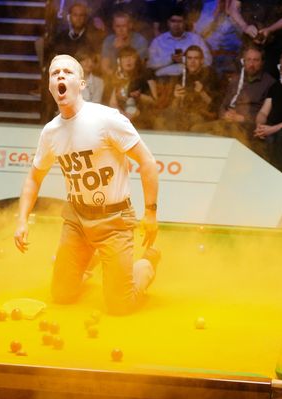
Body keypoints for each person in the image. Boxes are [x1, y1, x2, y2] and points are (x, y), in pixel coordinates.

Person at [14, 54, 160, 315]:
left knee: (120, 305)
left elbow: (148, 163)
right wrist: (22, 220)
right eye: (54, 73)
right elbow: (34, 177)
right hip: (77, 220)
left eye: (67, 72)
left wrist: (150, 212)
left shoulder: (107, 119)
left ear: (81, 84)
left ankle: (147, 263)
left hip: (115, 221)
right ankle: (89, 260)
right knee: (62, 295)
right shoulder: (50, 132)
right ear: (50, 86)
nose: (60, 76)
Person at [190, 45, 276, 151]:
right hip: (228, 121)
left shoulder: (270, 83)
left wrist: (243, 118)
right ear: (243, 61)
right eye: (248, 60)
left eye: (256, 60)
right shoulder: (236, 80)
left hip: (248, 125)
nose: (251, 64)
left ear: (262, 62)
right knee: (196, 129)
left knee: (223, 133)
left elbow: (270, 115)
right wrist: (224, 115)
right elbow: (223, 104)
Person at [154, 45, 221, 131]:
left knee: (189, 123)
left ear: (202, 60)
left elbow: (215, 106)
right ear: (185, 61)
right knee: (160, 120)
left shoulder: (210, 76)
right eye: (189, 58)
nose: (192, 61)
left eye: (196, 58)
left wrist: (202, 92)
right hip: (182, 112)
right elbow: (171, 104)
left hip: (201, 114)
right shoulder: (181, 77)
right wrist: (176, 97)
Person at [227, 0, 282, 77]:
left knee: (270, 76)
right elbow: (233, 9)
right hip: (249, 40)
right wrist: (245, 26)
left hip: (274, 42)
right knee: (244, 74)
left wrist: (270, 29)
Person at [146, 8, 213, 78]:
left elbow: (208, 61)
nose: (176, 25)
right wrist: (170, 59)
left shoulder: (196, 39)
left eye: (180, 21)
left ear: (185, 22)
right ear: (168, 23)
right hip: (164, 79)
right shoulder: (158, 41)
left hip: (190, 78)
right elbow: (150, 64)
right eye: (173, 21)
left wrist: (187, 61)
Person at [107, 46, 158, 128]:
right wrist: (124, 116)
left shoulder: (147, 75)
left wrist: (140, 96)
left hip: (143, 118)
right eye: (125, 57)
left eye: (132, 57)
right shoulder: (116, 78)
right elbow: (112, 103)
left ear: (136, 60)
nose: (128, 60)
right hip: (121, 119)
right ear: (119, 61)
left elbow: (155, 102)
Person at [100, 12, 149, 77]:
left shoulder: (140, 41)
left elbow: (139, 66)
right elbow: (105, 67)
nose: (121, 30)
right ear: (113, 27)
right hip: (114, 77)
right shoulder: (108, 41)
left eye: (124, 26)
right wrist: (117, 78)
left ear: (130, 26)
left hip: (135, 78)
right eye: (118, 26)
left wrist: (124, 48)